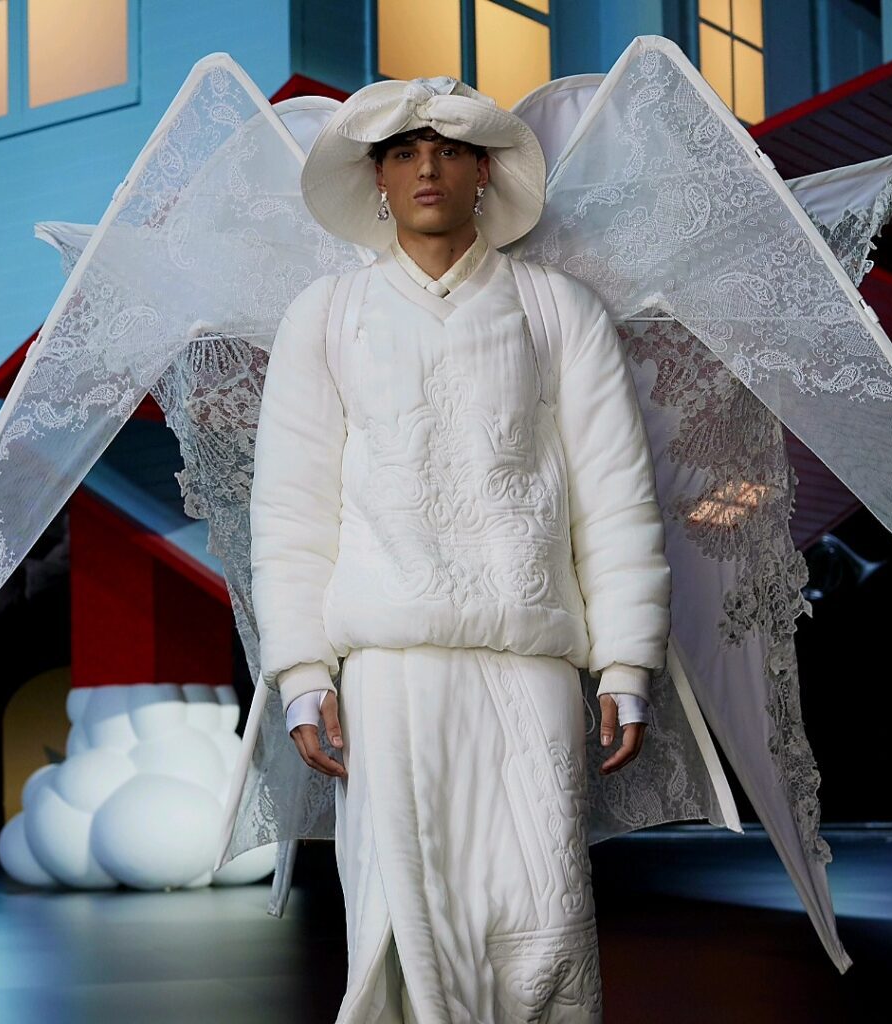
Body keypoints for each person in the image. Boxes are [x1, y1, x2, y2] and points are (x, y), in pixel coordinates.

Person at [249, 75, 671, 1021]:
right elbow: (291, 509)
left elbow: (614, 497)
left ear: (486, 170)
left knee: (542, 917)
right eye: (403, 153)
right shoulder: (326, 314)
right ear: (378, 179)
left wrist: (626, 664)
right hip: (390, 671)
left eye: (448, 150)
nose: (426, 168)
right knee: (404, 927)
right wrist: (303, 674)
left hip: (531, 662)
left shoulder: (559, 310)